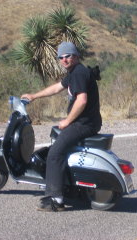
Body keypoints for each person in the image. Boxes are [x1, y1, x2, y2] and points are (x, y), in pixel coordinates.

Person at [21, 42, 102, 212]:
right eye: (61, 57)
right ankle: (68, 186)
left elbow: (82, 100)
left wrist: (67, 121)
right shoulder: (74, 73)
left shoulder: (79, 73)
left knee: (54, 153)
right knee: (58, 144)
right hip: (87, 121)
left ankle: (56, 200)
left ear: (76, 56)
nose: (64, 59)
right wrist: (34, 96)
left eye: (68, 56)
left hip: (84, 123)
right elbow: (57, 87)